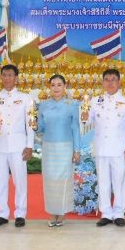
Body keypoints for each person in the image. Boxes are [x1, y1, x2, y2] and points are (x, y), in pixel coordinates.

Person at [85, 69, 125, 228]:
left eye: (113, 79)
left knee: (119, 181)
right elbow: (87, 122)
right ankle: (106, 213)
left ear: (119, 82)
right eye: (106, 79)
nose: (110, 82)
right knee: (103, 182)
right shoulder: (95, 101)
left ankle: (119, 213)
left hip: (119, 149)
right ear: (102, 82)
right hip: (101, 148)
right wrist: (84, 116)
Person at [0, 64, 34, 228]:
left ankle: (20, 213)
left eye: (10, 75)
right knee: (0, 181)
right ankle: (2, 213)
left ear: (16, 78)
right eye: (4, 75)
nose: (7, 78)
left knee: (20, 181)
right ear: (1, 77)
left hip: (18, 146)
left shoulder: (26, 98)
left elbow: (30, 123)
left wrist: (29, 145)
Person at [37, 75, 80, 228]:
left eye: (59, 84)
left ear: (65, 86)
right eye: (53, 85)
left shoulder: (72, 104)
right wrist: (33, 124)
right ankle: (52, 213)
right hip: (49, 148)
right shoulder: (43, 105)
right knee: (49, 180)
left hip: (65, 148)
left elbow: (75, 128)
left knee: (64, 180)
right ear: (49, 87)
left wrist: (77, 150)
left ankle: (61, 213)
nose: (56, 88)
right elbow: (40, 127)